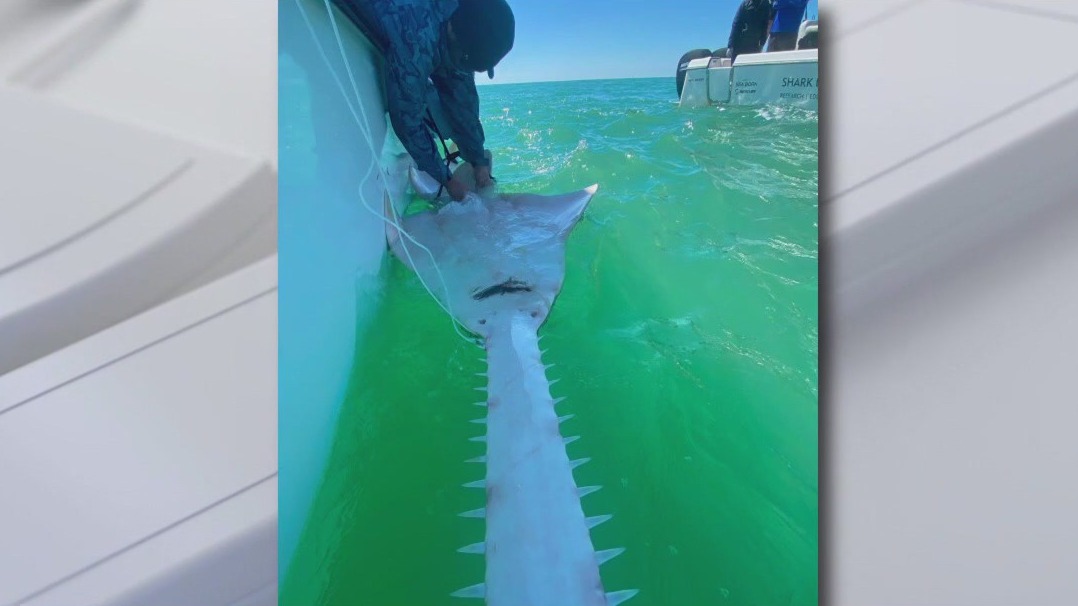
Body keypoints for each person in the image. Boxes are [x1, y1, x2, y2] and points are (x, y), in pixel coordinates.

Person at [354, 0, 515, 201]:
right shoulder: (417, 38)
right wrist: (447, 181)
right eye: (467, 61)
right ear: (452, 32)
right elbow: (407, 121)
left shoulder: (463, 29)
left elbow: (463, 100)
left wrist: (479, 162)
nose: (468, 68)